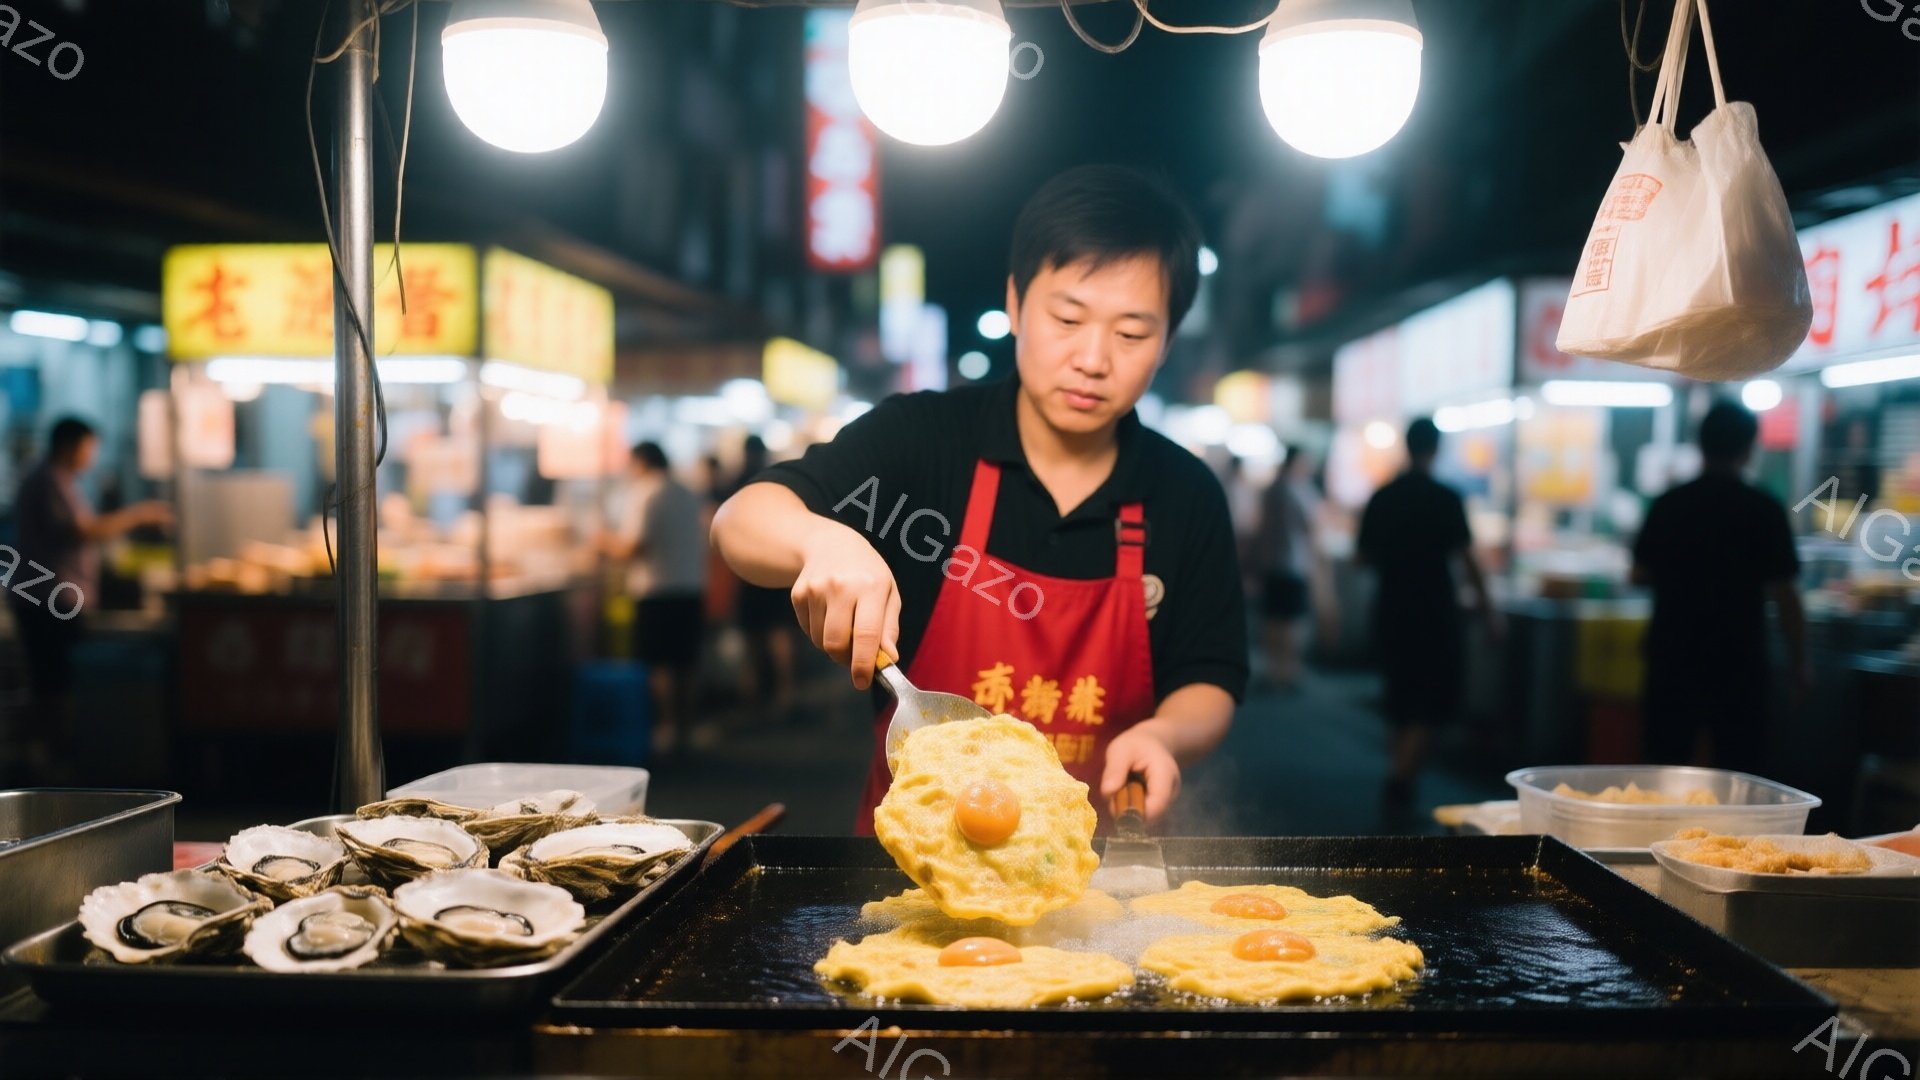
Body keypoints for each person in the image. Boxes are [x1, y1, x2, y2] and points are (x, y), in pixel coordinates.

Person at [713, 164, 1248, 832]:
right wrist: (821, 538)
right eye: (1067, 317)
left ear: (1167, 340)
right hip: (908, 872)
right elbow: (741, 520)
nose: (1093, 357)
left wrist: (1166, 734)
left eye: (1132, 333)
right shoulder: (924, 440)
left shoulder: (1184, 492)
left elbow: (1210, 675)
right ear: (1017, 303)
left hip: (1099, 873)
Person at [1631, 401, 1806, 775]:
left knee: (1664, 766)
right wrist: (1799, 664)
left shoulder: (1669, 504)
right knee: (1739, 771)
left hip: (1673, 656)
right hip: (1738, 660)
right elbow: (1786, 592)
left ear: (1700, 444)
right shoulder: (1763, 508)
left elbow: (1637, 574)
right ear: (1748, 448)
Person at [7, 417, 170, 780]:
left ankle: (50, 762)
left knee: (52, 681)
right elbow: (81, 530)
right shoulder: (48, 480)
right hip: (46, 599)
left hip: (47, 598)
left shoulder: (55, 480)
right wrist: (139, 515)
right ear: (70, 445)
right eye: (88, 448)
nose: (91, 457)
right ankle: (53, 767)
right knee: (54, 685)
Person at [1355, 418, 1497, 811]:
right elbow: (1468, 561)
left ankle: (1399, 771)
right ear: (1435, 449)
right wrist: (1489, 613)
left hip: (1391, 607)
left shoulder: (1383, 496)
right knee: (1429, 699)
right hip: (1434, 610)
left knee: (1400, 694)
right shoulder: (1446, 497)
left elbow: (1361, 556)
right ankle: (1402, 777)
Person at [607, 441, 708, 755]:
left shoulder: (646, 493)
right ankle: (687, 730)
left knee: (659, 664)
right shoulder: (688, 493)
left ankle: (664, 729)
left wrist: (601, 541)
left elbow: (633, 547)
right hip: (691, 588)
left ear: (641, 462)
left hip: (656, 590)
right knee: (686, 663)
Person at [730, 435, 798, 720]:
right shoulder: (780, 481)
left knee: (755, 637)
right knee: (777, 633)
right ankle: (784, 693)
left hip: (748, 573)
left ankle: (754, 694)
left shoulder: (738, 483)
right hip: (779, 570)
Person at [1252, 445, 1331, 690]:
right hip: (1292, 564)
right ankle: (1287, 671)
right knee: (1291, 621)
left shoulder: (1271, 489)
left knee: (1273, 619)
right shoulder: (1297, 490)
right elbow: (1313, 525)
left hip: (1271, 563)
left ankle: (1274, 669)